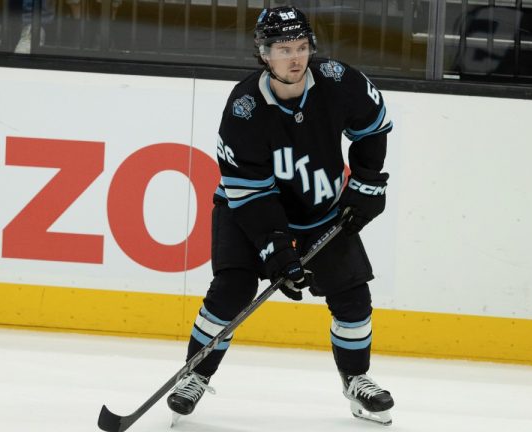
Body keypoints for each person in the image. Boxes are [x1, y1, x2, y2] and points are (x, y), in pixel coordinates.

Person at [165, 5, 395, 427]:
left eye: (302, 47)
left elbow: (374, 126)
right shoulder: (244, 109)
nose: (295, 58)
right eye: (284, 49)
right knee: (231, 290)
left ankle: (357, 379)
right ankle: (194, 376)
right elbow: (251, 195)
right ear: (263, 53)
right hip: (247, 210)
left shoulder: (338, 81)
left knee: (353, 297)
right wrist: (277, 249)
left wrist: (368, 184)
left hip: (322, 210)